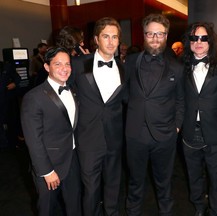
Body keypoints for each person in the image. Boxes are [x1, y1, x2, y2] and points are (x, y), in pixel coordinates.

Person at [124, 13, 184, 216]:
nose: (155, 38)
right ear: (144, 35)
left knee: (164, 182)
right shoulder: (130, 62)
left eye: (160, 34)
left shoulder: (177, 67)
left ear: (166, 36)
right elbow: (123, 93)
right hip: (135, 134)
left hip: (164, 135)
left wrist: (176, 126)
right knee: (135, 181)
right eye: (151, 34)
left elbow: (181, 100)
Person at [70, 17, 127, 216]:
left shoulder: (123, 67)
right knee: (90, 189)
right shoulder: (77, 65)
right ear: (96, 39)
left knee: (113, 184)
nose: (111, 42)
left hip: (114, 138)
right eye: (105, 36)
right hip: (87, 138)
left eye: (114, 37)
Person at [21, 47, 81, 216]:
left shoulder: (73, 90)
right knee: (47, 210)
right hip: (49, 165)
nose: (64, 68)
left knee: (74, 206)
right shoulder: (34, 97)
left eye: (67, 64)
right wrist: (47, 171)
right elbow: (33, 140)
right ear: (47, 67)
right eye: (58, 64)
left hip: (72, 160)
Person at [181, 22, 217, 216]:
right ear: (189, 42)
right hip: (189, 131)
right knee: (193, 176)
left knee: (216, 176)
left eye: (203, 38)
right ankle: (199, 207)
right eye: (194, 38)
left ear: (211, 41)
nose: (198, 42)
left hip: (216, 131)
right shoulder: (181, 67)